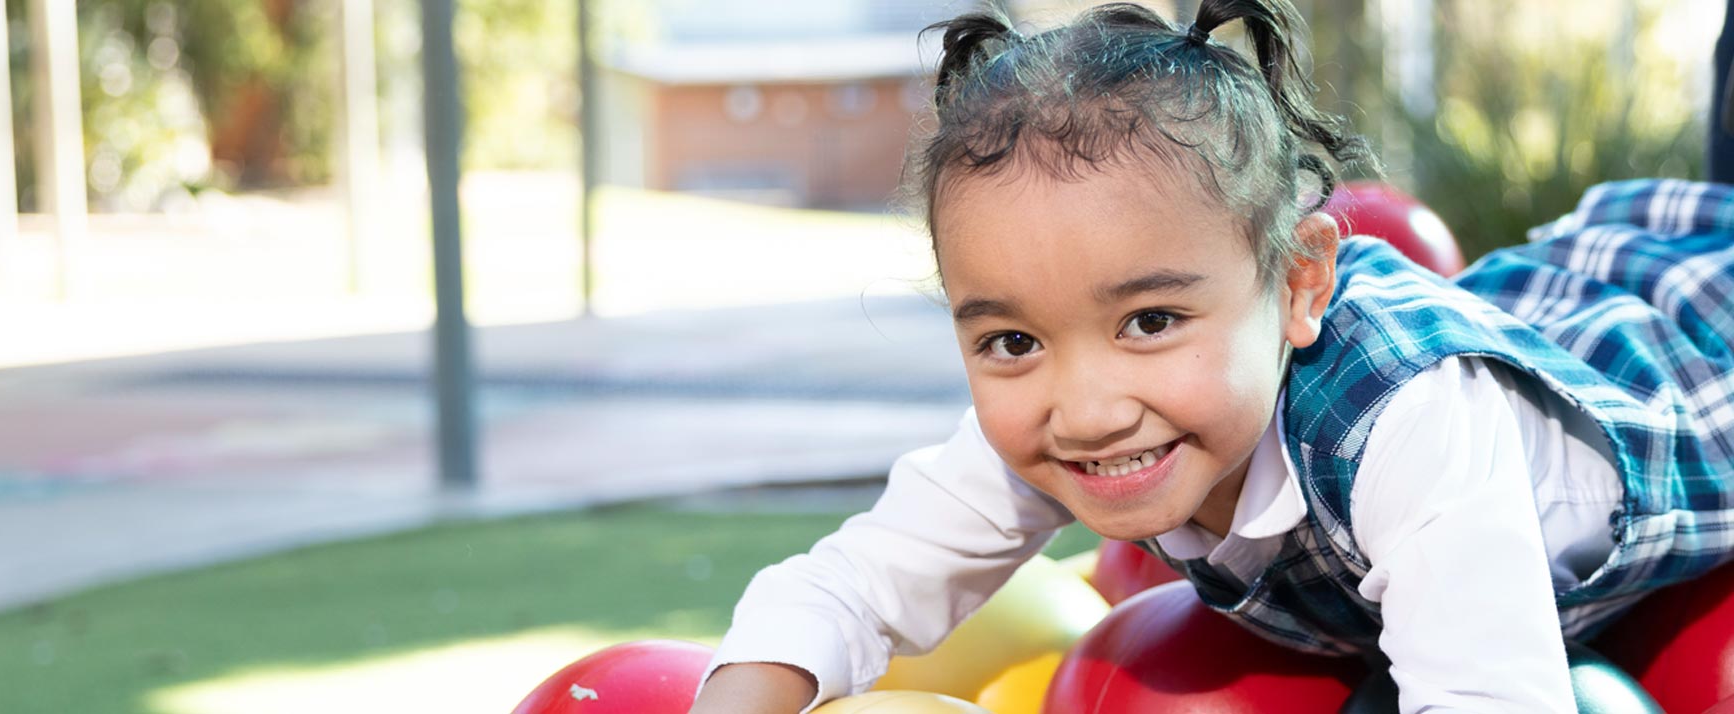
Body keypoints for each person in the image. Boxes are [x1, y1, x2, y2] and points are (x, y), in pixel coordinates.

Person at [687, 0, 1734, 712]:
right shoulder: (1048, 420)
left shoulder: (1407, 425)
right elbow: (852, 585)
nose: (1087, 407)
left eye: (1149, 321)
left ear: (1297, 285)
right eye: (1011, 340)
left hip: (1691, 356)